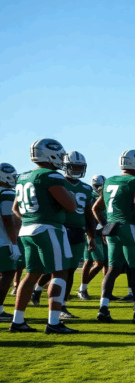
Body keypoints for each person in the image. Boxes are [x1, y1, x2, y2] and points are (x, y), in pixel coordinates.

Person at [10, 139, 78, 334]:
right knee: (60, 273)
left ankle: (18, 320)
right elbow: (71, 206)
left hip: (27, 229)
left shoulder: (23, 176)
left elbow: (16, 208)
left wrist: (33, 218)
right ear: (50, 155)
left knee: (31, 274)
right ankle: (54, 323)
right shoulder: (50, 176)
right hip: (48, 228)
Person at [92, 149, 135, 324]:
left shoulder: (110, 181)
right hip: (130, 229)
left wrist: (105, 226)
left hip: (112, 230)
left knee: (112, 270)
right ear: (134, 163)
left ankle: (103, 308)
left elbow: (96, 208)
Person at [60, 151, 98, 319]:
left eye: (79, 167)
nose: (75, 170)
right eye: (73, 166)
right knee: (53, 269)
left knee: (69, 270)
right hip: (59, 229)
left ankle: (62, 305)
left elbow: (89, 214)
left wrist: (91, 236)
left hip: (77, 231)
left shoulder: (86, 188)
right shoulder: (57, 182)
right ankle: (37, 291)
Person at [78, 174, 106, 300]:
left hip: (100, 232)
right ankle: (82, 289)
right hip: (92, 232)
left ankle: (105, 292)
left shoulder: (102, 197)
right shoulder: (92, 196)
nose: (99, 188)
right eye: (97, 186)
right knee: (97, 262)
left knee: (97, 262)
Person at [0, 163, 19, 322]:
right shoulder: (6, 193)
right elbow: (7, 218)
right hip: (2, 240)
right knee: (7, 274)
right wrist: (14, 242)